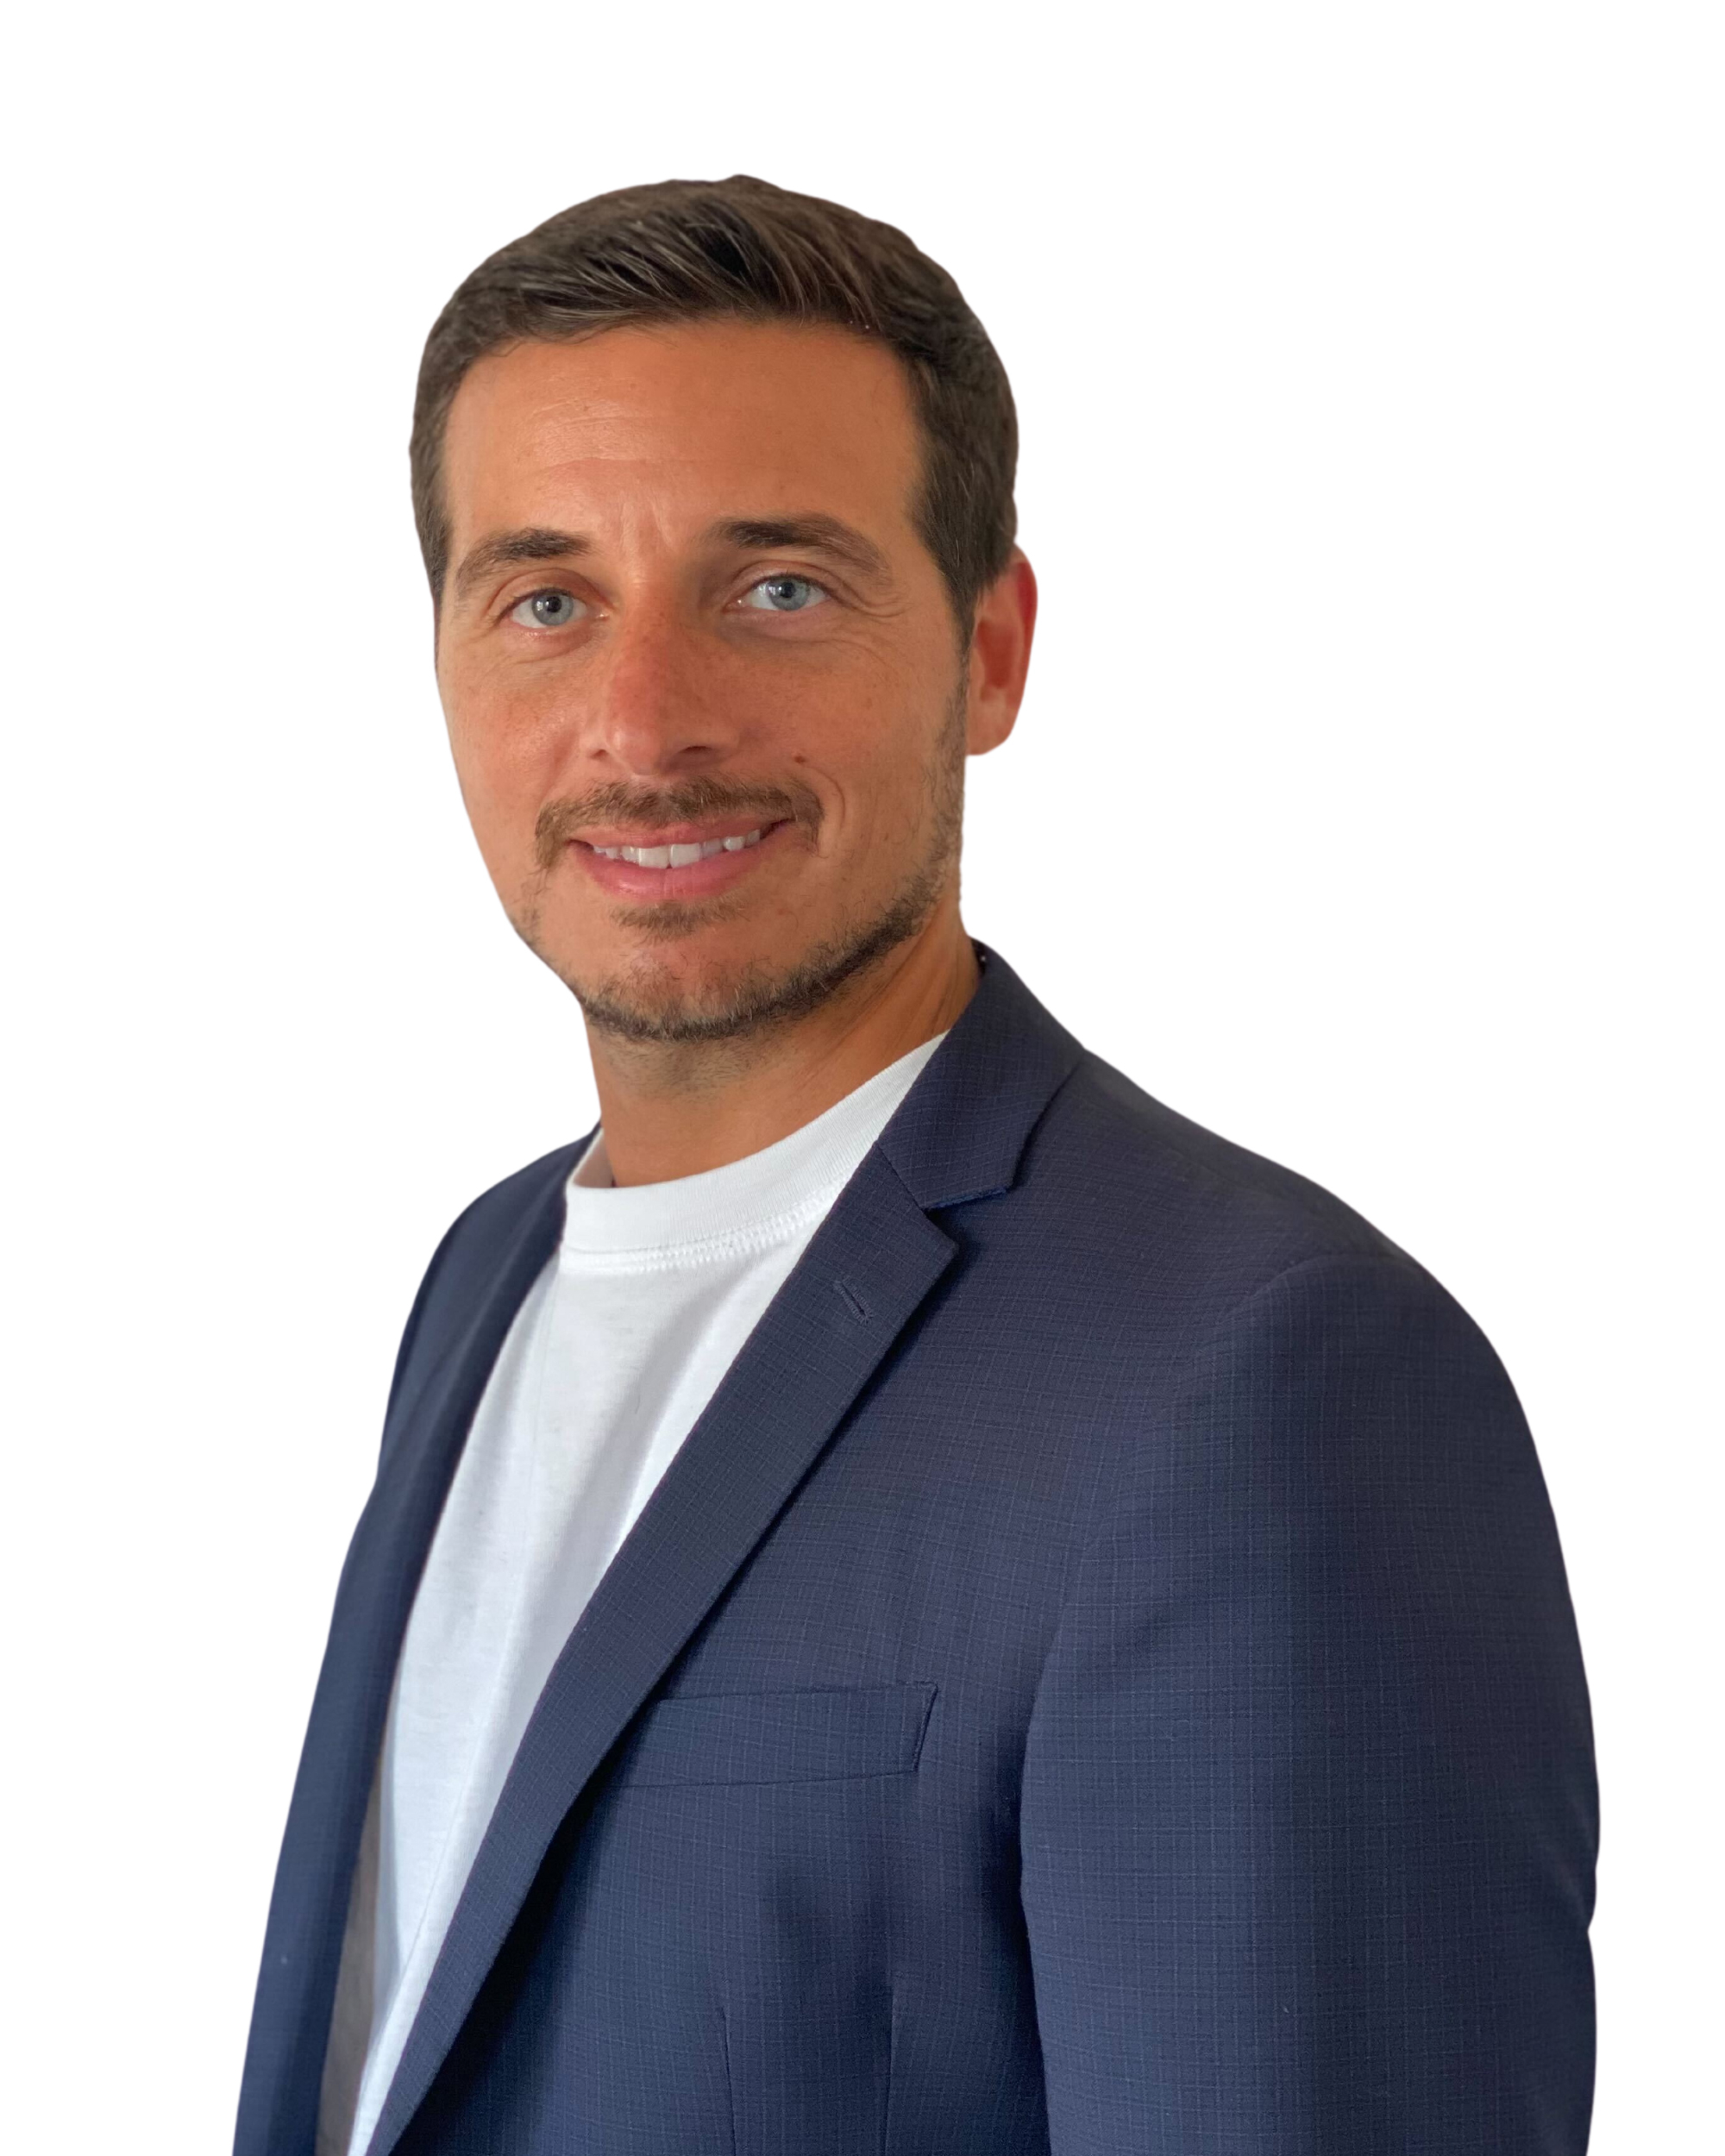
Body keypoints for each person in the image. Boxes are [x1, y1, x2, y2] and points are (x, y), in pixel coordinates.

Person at [234, 177, 1597, 2156]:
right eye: (545, 599)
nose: (640, 724)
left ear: (990, 648)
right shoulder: (485, 1274)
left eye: (777, 587)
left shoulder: (1267, 1381)